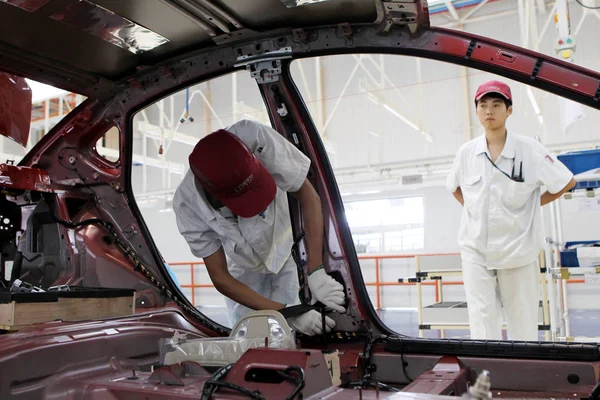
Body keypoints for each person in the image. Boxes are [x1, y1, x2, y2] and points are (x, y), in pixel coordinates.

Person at [173, 119, 346, 336]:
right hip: (243, 271)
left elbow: (309, 197)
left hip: (286, 251)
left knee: (296, 335)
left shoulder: (255, 137)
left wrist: (316, 270)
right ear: (216, 195)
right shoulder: (187, 206)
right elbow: (220, 277)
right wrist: (287, 314)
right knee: (252, 335)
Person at [447, 80, 576, 341]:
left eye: (496, 105)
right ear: (477, 111)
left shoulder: (529, 150)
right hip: (476, 251)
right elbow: (454, 187)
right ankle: (486, 378)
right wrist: (474, 209)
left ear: (509, 110)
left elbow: (566, 181)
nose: (489, 111)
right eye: (483, 105)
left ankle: (523, 378)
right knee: (482, 323)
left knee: (523, 322)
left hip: (518, 251)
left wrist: (534, 204)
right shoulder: (466, 153)